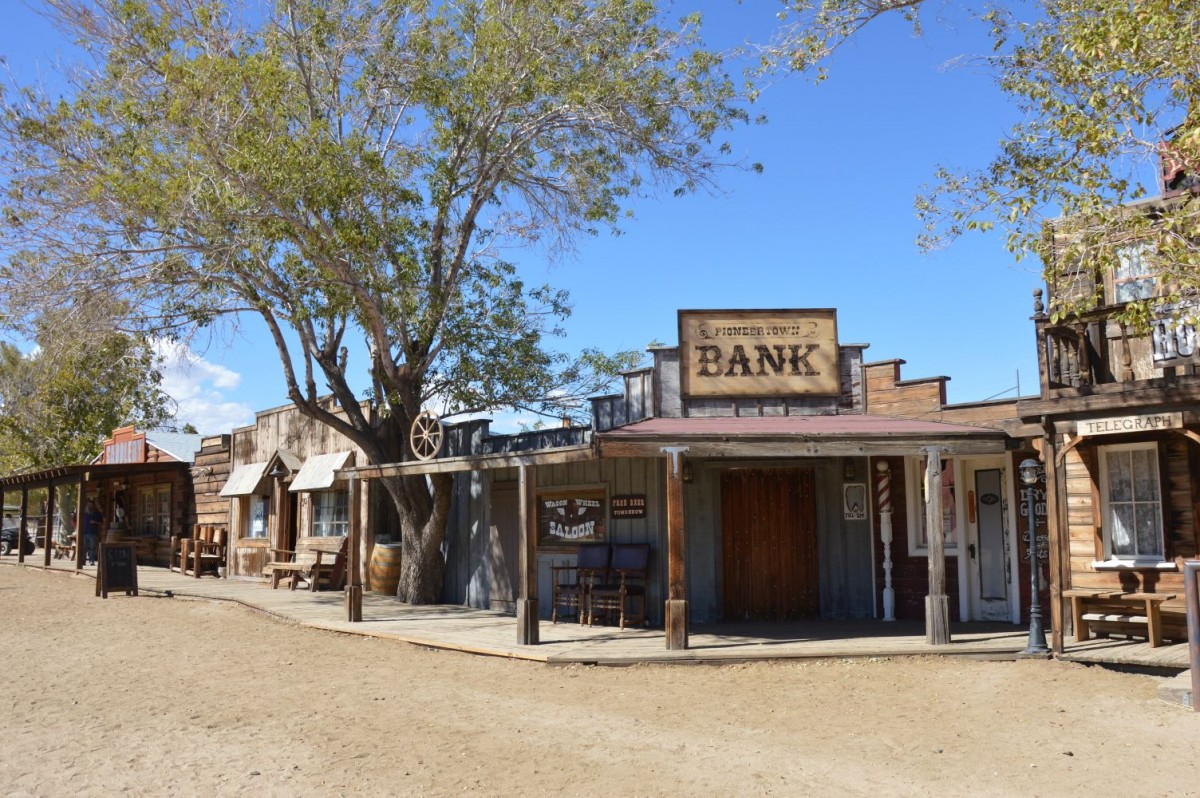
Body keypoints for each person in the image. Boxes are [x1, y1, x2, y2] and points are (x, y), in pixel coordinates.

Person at [81, 500, 104, 566]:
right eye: (88, 505)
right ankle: (83, 560)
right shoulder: (84, 513)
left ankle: (92, 560)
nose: (89, 506)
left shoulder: (97, 513)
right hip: (84, 532)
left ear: (93, 505)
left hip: (93, 533)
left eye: (91, 505)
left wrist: (95, 522)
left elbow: (101, 522)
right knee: (84, 547)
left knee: (92, 547)